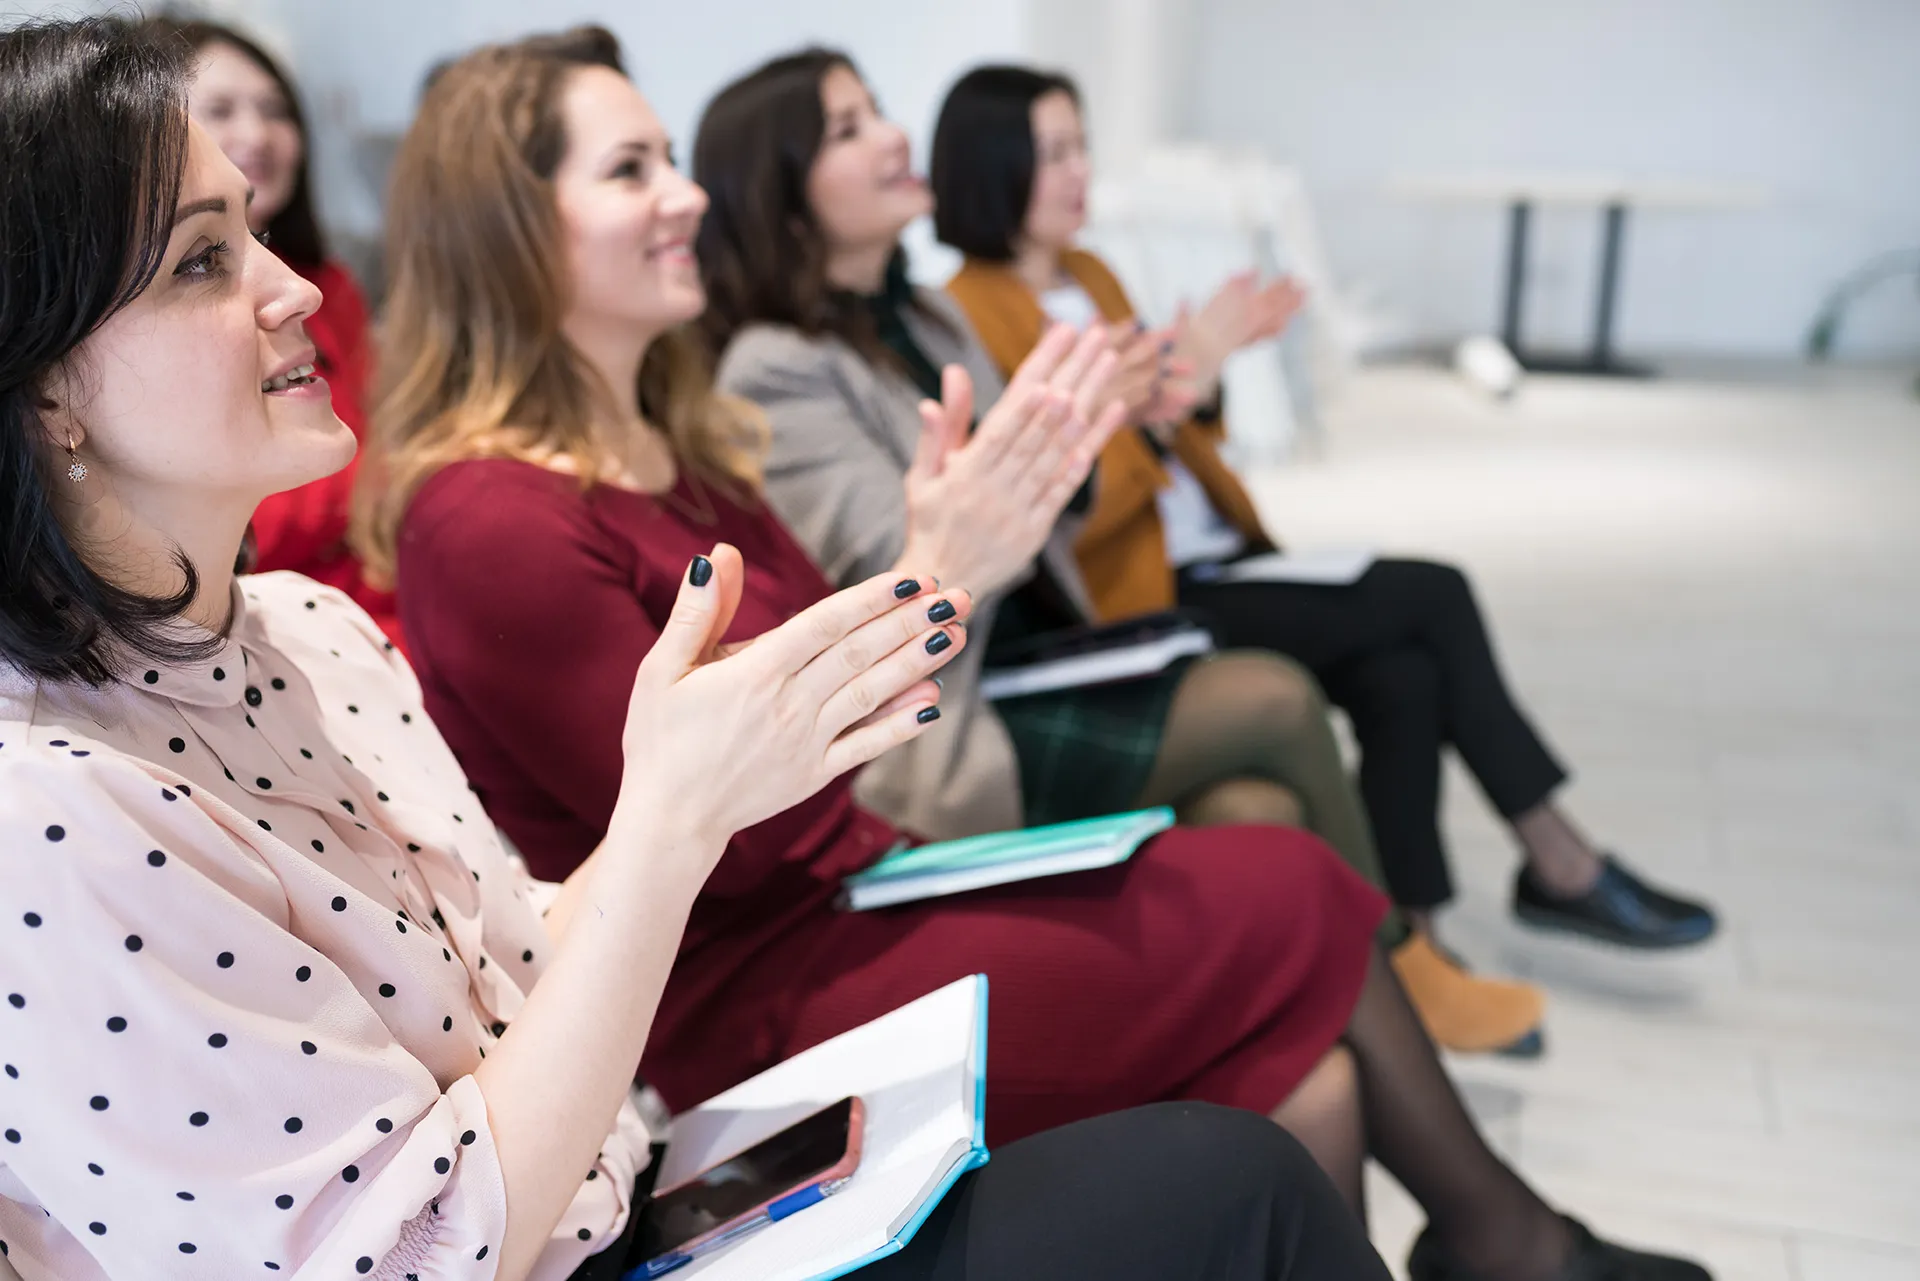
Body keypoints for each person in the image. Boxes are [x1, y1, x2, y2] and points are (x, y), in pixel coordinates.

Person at [0, 17, 1395, 1281]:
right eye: (203, 260)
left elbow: (529, 941)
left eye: (254, 232)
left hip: (650, 1105)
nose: (299, 285)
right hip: (697, 1028)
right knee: (1262, 991)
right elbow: (411, 1244)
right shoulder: (56, 801)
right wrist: (931, 589)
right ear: (46, 388)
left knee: (1276, 1055)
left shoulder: (315, 628)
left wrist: (921, 597)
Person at [367, 28, 1708, 1281]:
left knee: (1311, 1071)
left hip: (845, 889)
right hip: (733, 991)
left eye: (670, 158)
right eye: (632, 169)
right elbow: (739, 821)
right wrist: (936, 574)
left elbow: (828, 744)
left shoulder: (674, 444)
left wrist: (942, 565)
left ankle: (1503, 1238)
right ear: (512, 231)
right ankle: (1510, 1240)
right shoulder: (491, 516)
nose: (687, 196)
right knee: (1290, 884)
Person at [692, 48, 1545, 1058]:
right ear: (784, 196)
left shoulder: (929, 314)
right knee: (1278, 693)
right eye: (849, 127)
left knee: (1262, 799)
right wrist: (1076, 434)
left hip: (1040, 639)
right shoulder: (778, 367)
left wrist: (1112, 422)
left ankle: (1315, 1030)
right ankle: (1401, 967)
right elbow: (906, 574)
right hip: (956, 699)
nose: (892, 134)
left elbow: (1052, 508)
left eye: (878, 110)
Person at [930, 64, 1720, 960]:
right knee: (1435, 594)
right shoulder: (973, 313)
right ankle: (1558, 861)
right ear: (991, 167)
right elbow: (1060, 509)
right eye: (1052, 152)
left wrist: (1198, 379)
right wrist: (1135, 410)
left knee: (1406, 676)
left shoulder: (1092, 274)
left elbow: (1170, 435)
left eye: (1082, 146)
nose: (1079, 173)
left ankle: (1413, 931)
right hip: (1143, 594)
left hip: (1216, 550)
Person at [156, 16, 403, 648]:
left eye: (274, 109)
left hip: (383, 622)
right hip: (273, 640)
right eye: (221, 109)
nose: (257, 134)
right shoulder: (150, 330)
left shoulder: (330, 284)